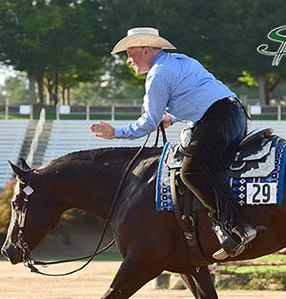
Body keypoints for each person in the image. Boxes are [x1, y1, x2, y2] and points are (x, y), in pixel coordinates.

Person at [90, 27, 257, 260]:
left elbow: (148, 122)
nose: (128, 60)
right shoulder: (181, 61)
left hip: (217, 118)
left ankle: (237, 227)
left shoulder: (158, 75)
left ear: (146, 50)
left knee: (192, 171)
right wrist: (172, 117)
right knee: (206, 168)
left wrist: (115, 132)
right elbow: (199, 95)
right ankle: (219, 226)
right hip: (233, 114)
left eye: (129, 53)